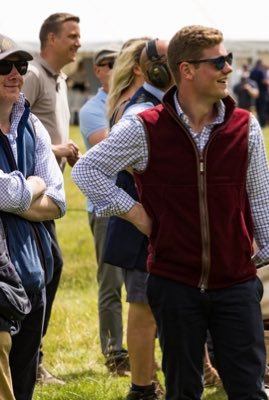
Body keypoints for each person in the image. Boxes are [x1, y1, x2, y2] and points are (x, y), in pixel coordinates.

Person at [72, 25, 269, 400]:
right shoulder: (146, 127)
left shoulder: (246, 127)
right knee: (183, 391)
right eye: (219, 62)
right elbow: (86, 170)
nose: (228, 69)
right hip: (174, 283)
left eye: (229, 60)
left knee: (248, 390)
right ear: (187, 70)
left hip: (237, 282)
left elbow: (260, 200)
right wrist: (135, 213)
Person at [104, 37, 171, 400]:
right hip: (143, 223)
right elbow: (113, 157)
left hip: (154, 222)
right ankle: (141, 388)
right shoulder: (138, 111)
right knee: (144, 308)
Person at [0, 33, 65, 399]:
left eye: (21, 66)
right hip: (0, 276)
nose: (15, 74)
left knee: (22, 385)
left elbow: (58, 200)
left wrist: (21, 192)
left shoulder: (31, 123)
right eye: (3, 66)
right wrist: (32, 184)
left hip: (33, 272)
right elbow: (9, 191)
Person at [22, 12, 81, 384]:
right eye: (72, 35)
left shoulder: (56, 80)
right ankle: (29, 360)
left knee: (49, 269)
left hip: (46, 200)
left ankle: (32, 359)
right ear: (50, 39)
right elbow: (12, 125)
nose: (78, 41)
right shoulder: (29, 76)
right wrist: (57, 148)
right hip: (24, 198)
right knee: (42, 271)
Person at [78, 47, 131, 375]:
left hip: (137, 204)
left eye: (121, 63)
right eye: (110, 65)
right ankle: (114, 354)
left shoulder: (132, 104)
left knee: (142, 285)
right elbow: (113, 150)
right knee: (111, 284)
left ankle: (143, 351)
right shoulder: (91, 109)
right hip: (106, 207)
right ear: (98, 71)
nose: (116, 69)